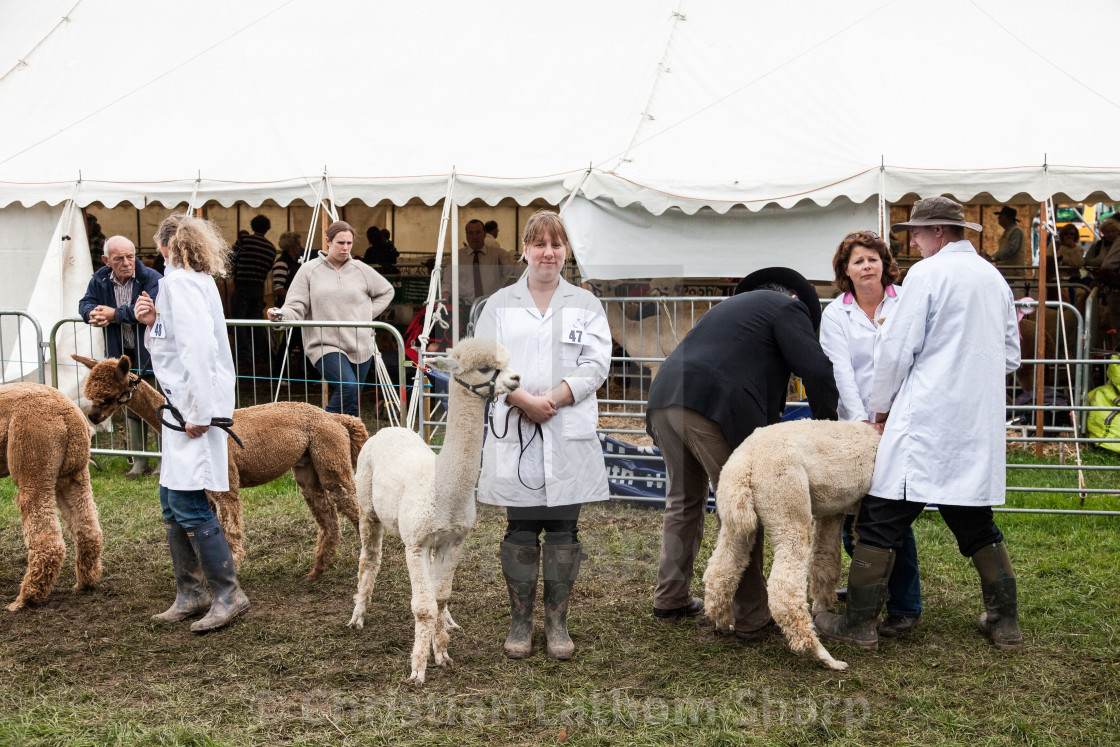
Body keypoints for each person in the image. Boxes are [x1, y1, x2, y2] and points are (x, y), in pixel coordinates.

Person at [816, 196, 1023, 653]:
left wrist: (882, 407)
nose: (912, 240)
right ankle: (1005, 621)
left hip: (923, 419)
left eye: (918, 232)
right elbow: (1011, 356)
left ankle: (858, 624)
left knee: (879, 521)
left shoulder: (926, 275)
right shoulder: (994, 278)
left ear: (940, 233)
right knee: (976, 525)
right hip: (973, 425)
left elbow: (895, 350)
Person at [645, 267, 839, 639]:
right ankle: (752, 615)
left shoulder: (728, 311)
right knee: (743, 509)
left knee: (684, 502)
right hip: (711, 407)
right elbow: (816, 368)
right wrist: (829, 428)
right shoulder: (787, 309)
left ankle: (670, 597)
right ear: (796, 300)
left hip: (665, 399)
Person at [474, 209, 611, 661]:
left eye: (556, 244)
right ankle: (520, 621)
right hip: (516, 424)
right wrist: (522, 401)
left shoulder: (586, 305)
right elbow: (483, 363)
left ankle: (556, 623)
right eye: (539, 244)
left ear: (565, 252)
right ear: (525, 252)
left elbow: (596, 364)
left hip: (564, 425)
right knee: (521, 525)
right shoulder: (499, 305)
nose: (548, 253)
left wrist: (553, 398)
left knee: (563, 527)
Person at [133, 214, 249, 633]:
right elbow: (175, 342)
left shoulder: (180, 284)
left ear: (164, 246)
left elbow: (200, 349)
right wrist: (150, 322)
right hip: (185, 406)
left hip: (192, 409)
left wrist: (199, 413)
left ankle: (227, 593)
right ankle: (191, 592)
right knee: (170, 499)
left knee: (186, 500)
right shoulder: (186, 283)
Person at [819, 230, 922, 637]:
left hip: (900, 420)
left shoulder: (905, 303)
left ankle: (905, 605)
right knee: (853, 516)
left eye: (873, 258)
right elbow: (840, 370)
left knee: (890, 514)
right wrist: (865, 422)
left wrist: (888, 415)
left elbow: (911, 360)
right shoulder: (834, 314)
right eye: (857, 260)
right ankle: (870, 587)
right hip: (856, 427)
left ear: (885, 264)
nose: (866, 266)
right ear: (845, 270)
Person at [266, 220, 395, 416]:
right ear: (328, 241)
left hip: (360, 344)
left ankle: (347, 444)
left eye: (349, 243)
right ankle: (320, 429)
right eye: (340, 243)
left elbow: (387, 291)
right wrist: (280, 315)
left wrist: (366, 314)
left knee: (352, 406)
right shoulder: (309, 270)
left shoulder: (361, 269)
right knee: (348, 386)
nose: (345, 248)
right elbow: (296, 305)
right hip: (324, 343)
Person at [79, 235, 163, 478]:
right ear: (107, 260)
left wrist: (115, 314)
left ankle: (163, 462)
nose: (127, 262)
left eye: (130, 256)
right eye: (119, 258)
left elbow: (150, 307)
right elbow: (85, 303)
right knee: (129, 406)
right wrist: (92, 314)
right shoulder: (100, 279)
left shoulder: (152, 277)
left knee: (158, 405)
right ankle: (139, 462)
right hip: (120, 357)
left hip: (152, 353)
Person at [442, 218, 520, 312]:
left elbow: (517, 269)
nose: (474, 237)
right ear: (466, 235)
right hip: (464, 308)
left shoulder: (498, 254)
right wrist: (445, 293)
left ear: (484, 234)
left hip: (491, 306)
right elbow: (448, 279)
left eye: (478, 232)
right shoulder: (457, 256)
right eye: (470, 233)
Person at [230, 215, 277, 321]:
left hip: (241, 286)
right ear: (267, 228)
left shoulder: (244, 240)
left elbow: (232, 258)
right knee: (255, 320)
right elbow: (268, 268)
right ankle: (256, 338)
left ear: (252, 226)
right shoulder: (271, 248)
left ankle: (240, 338)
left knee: (238, 319)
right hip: (258, 289)